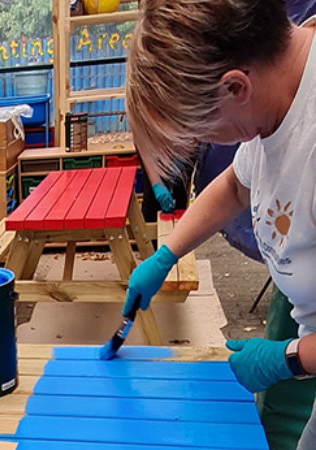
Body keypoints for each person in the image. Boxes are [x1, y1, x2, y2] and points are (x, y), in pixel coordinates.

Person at [124, 0, 316, 448]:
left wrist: (288, 358)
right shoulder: (277, 99)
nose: (203, 141)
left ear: (235, 86)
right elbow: (235, 184)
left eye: (201, 129)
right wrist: (166, 254)